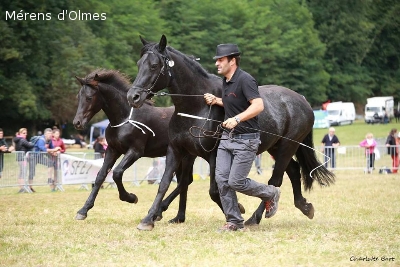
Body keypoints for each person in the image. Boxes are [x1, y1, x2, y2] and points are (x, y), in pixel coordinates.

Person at [203, 43, 280, 232]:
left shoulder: (245, 80)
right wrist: (217, 100)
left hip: (246, 139)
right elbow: (235, 102)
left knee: (236, 181)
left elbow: (258, 105)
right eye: (217, 61)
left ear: (233, 61)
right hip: (226, 138)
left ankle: (271, 192)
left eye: (221, 60)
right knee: (221, 180)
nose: (217, 64)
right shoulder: (226, 81)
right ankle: (234, 221)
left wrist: (237, 119)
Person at [28, 128, 61, 192]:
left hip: (40, 156)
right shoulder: (41, 140)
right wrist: (54, 150)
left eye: (51, 134)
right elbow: (44, 150)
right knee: (32, 172)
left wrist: (55, 152)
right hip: (33, 156)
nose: (50, 135)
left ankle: (49, 179)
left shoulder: (50, 140)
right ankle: (30, 187)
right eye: (48, 134)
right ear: (45, 134)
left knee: (50, 163)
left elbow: (52, 148)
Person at [13, 128, 34, 192]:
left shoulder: (18, 139)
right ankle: (22, 187)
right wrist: (32, 143)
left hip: (20, 158)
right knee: (23, 172)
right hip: (22, 158)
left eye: (26, 133)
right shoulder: (22, 140)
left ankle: (22, 187)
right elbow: (30, 145)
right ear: (20, 133)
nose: (25, 134)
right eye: (24, 133)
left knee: (21, 172)